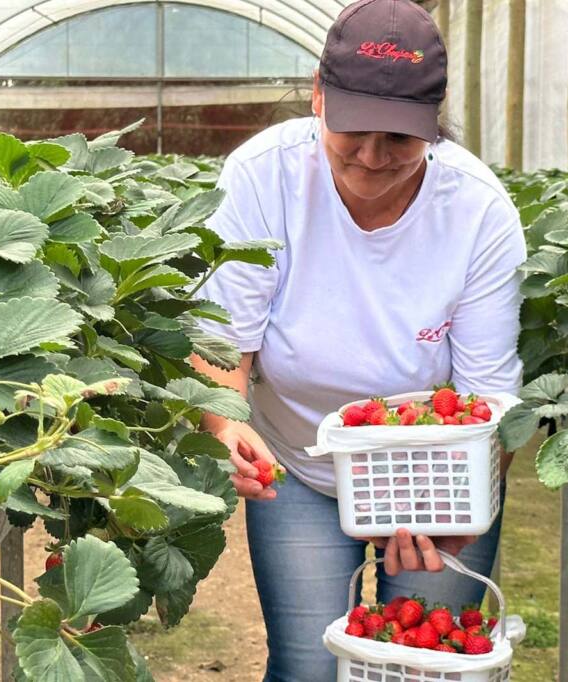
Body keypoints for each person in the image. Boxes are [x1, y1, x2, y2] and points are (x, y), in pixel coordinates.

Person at [190, 0, 526, 678]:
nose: (372, 157)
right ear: (318, 94)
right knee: (308, 666)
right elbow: (224, 342)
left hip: (434, 483)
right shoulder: (263, 178)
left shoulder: (477, 212)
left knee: (426, 666)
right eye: (353, 129)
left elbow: (488, 396)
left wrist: (462, 510)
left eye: (399, 137)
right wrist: (226, 427)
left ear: (433, 120)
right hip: (300, 464)